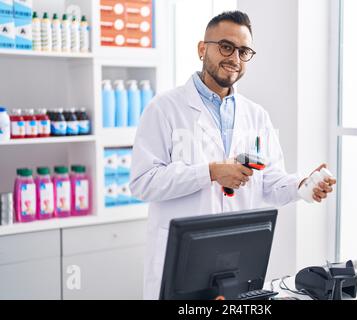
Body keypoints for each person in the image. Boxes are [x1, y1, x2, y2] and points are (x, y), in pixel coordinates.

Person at [130, 10, 336, 300]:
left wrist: (303, 186)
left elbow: (269, 183)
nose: (235, 58)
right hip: (181, 259)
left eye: (244, 51)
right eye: (226, 47)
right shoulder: (164, 108)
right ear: (203, 48)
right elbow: (143, 182)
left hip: (236, 260)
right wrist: (211, 172)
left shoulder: (257, 116)